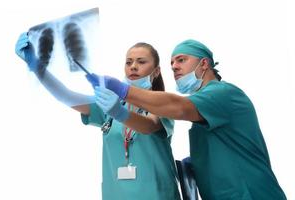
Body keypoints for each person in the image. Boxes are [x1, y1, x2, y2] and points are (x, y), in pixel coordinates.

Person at [86, 39, 287, 199]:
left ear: (204, 63)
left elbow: (178, 107)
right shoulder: (205, 106)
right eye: (172, 63)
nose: (174, 66)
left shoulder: (223, 93)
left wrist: (123, 90)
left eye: (181, 60)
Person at [15, 32, 181, 200]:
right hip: (116, 194)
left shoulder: (161, 103)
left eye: (141, 62)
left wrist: (119, 113)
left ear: (156, 71)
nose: (133, 66)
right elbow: (66, 96)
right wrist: (35, 65)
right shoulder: (111, 103)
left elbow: (149, 125)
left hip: (156, 194)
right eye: (128, 62)